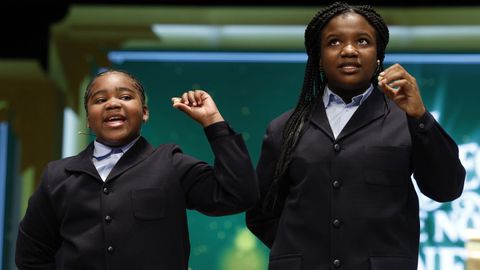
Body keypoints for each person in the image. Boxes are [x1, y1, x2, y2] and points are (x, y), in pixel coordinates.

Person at [246, 2, 466, 270]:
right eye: (334, 42)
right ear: (318, 56)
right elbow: (260, 213)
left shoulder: (407, 121)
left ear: (378, 57)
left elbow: (447, 189)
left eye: (362, 41)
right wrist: (300, 253)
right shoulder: (283, 128)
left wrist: (420, 117)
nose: (349, 50)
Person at [15, 69, 258, 269]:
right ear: (88, 118)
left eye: (125, 97)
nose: (112, 104)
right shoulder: (57, 176)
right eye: (100, 100)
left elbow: (239, 194)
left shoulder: (171, 163)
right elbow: (32, 255)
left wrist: (213, 122)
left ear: (144, 113)